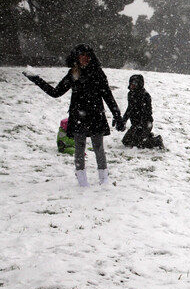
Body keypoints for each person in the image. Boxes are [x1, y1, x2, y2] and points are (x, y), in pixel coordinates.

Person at [23, 43, 125, 187]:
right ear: (76, 57)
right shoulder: (73, 73)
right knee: (79, 147)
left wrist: (117, 115)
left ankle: (104, 180)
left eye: (87, 55)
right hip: (78, 116)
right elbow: (55, 92)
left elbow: (108, 96)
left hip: (96, 115)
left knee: (98, 147)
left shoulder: (98, 73)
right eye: (82, 55)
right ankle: (82, 181)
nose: (85, 58)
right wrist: (37, 79)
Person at [121, 74, 164, 149]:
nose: (132, 86)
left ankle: (156, 141)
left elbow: (147, 112)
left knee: (139, 144)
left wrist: (140, 125)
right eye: (131, 83)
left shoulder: (145, 96)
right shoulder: (131, 94)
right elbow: (129, 109)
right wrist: (123, 120)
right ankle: (146, 136)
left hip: (145, 123)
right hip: (135, 124)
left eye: (134, 84)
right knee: (126, 141)